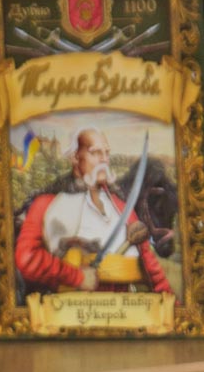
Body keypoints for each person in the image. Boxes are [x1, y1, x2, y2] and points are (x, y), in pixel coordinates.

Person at [14, 126, 171, 295]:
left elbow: (151, 266)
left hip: (125, 306)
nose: (104, 159)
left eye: (106, 153)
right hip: (71, 307)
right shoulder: (46, 203)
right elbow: (27, 258)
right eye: (95, 152)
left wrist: (171, 304)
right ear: (75, 157)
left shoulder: (121, 207)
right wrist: (76, 277)